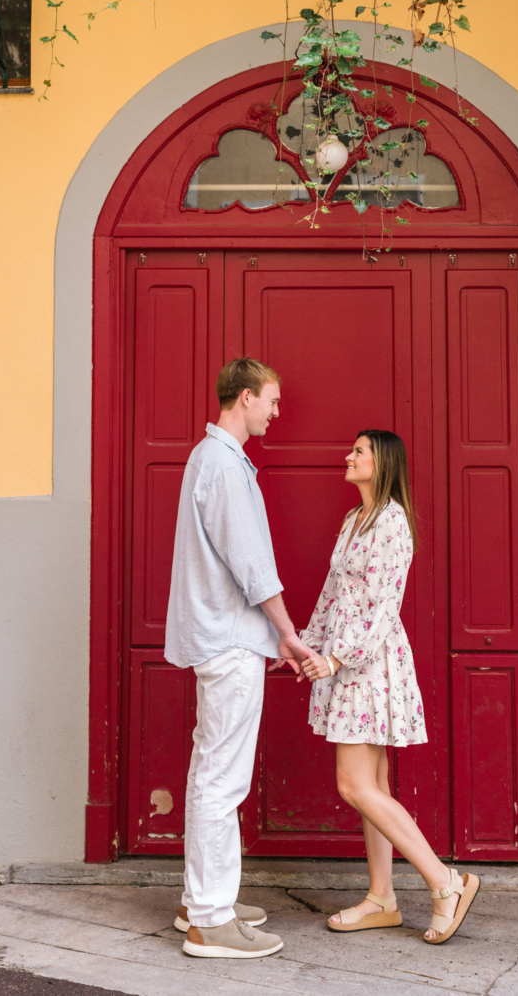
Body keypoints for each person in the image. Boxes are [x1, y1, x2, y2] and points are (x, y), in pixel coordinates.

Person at [299, 429, 479, 945]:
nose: (348, 455)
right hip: (341, 663)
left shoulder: (392, 522)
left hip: (368, 667)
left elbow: (382, 610)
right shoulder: (354, 520)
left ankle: (446, 883)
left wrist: (336, 657)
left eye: (359, 451)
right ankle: (382, 897)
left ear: (382, 464)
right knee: (370, 790)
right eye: (351, 448)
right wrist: (307, 648)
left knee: (354, 785)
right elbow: (332, 594)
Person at [164, 357, 313, 960]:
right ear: (245, 398)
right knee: (222, 781)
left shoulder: (213, 459)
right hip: (229, 642)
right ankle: (209, 920)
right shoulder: (224, 466)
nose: (277, 412)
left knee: (210, 774)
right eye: (272, 401)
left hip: (221, 637)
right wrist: (288, 633)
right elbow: (252, 566)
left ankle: (200, 901)